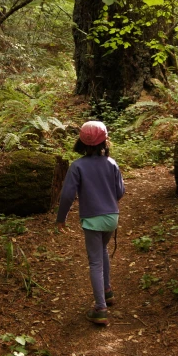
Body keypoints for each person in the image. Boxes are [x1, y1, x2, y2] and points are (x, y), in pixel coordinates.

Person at [56, 121, 125, 326]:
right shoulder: (112, 163)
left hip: (92, 220)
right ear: (104, 140)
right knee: (102, 251)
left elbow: (67, 195)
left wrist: (61, 218)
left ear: (82, 141)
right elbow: (120, 192)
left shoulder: (77, 166)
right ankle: (107, 291)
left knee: (95, 262)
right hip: (112, 217)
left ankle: (100, 308)